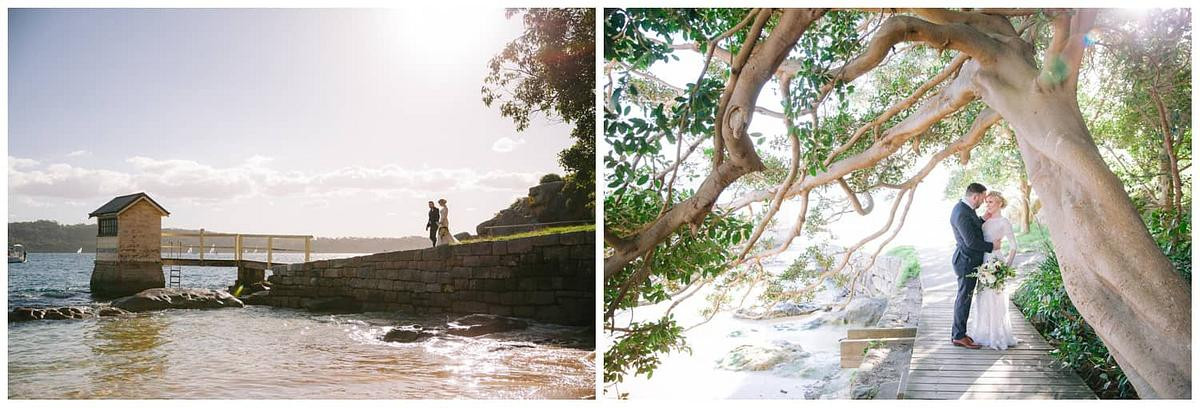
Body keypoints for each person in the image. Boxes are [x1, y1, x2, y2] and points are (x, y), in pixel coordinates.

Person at [948, 182, 1000, 349]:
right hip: (966, 261)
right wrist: (992, 247)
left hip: (967, 260)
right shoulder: (962, 212)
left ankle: (960, 333)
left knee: (965, 298)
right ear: (975, 196)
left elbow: (970, 227)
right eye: (983, 198)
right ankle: (958, 336)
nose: (983, 202)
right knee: (964, 298)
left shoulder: (965, 209)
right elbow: (971, 242)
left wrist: (983, 218)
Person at [967, 190, 1021, 350]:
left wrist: (1006, 268)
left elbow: (1013, 246)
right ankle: (983, 333)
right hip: (983, 263)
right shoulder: (983, 221)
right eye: (987, 201)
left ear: (1000, 204)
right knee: (983, 298)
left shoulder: (1004, 222)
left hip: (996, 263)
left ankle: (997, 335)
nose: (987, 204)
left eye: (991, 202)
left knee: (996, 299)